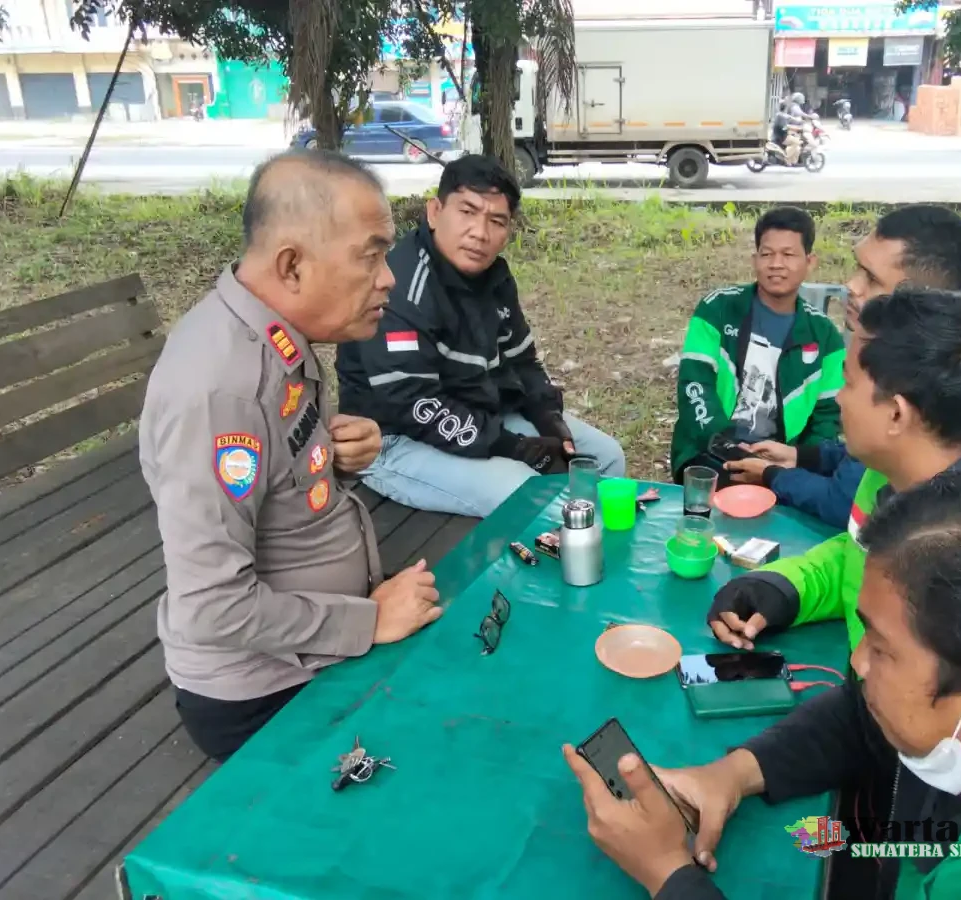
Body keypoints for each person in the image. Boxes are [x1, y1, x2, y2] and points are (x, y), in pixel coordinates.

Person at [564, 472, 961, 900]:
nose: (856, 663)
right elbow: (867, 720)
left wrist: (669, 875)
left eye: (882, 648)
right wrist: (732, 775)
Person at [139, 150, 443, 763]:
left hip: (320, 639)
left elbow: (271, 467)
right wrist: (367, 624)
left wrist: (331, 454)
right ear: (292, 265)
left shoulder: (271, 328)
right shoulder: (220, 388)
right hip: (269, 690)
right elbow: (211, 608)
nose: (388, 277)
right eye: (371, 253)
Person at [335, 155, 625, 517]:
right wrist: (513, 446)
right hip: (393, 439)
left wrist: (549, 416)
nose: (480, 232)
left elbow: (523, 361)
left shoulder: (495, 277)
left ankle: (600, 559)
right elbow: (411, 403)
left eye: (496, 221)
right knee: (529, 494)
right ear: (435, 211)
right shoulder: (402, 286)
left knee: (606, 459)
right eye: (467, 212)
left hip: (481, 415)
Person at [723, 204, 961, 527]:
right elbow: (860, 465)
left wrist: (773, 475)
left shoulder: (917, 388)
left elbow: (843, 501)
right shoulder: (935, 359)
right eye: (858, 268)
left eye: (871, 278)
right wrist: (802, 457)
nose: (851, 285)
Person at [669, 207, 843, 486]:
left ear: (810, 262)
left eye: (788, 254)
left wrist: (798, 459)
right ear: (755, 259)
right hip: (711, 449)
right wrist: (727, 447)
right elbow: (695, 386)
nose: (776, 264)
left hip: (783, 459)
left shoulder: (825, 336)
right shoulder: (718, 308)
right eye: (767, 254)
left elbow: (827, 416)